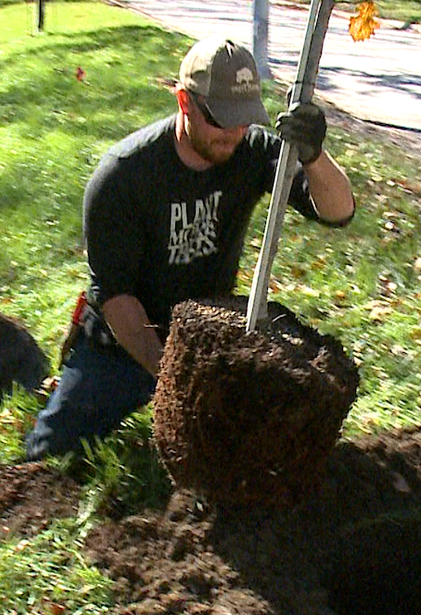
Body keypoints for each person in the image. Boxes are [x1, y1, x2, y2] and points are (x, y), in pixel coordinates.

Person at [23, 38, 356, 461]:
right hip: (123, 344)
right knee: (51, 455)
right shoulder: (124, 177)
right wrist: (174, 377)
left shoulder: (250, 150)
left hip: (210, 338)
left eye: (243, 119)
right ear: (184, 101)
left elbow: (338, 212)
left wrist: (315, 158)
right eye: (220, 120)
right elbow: (117, 298)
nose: (234, 133)